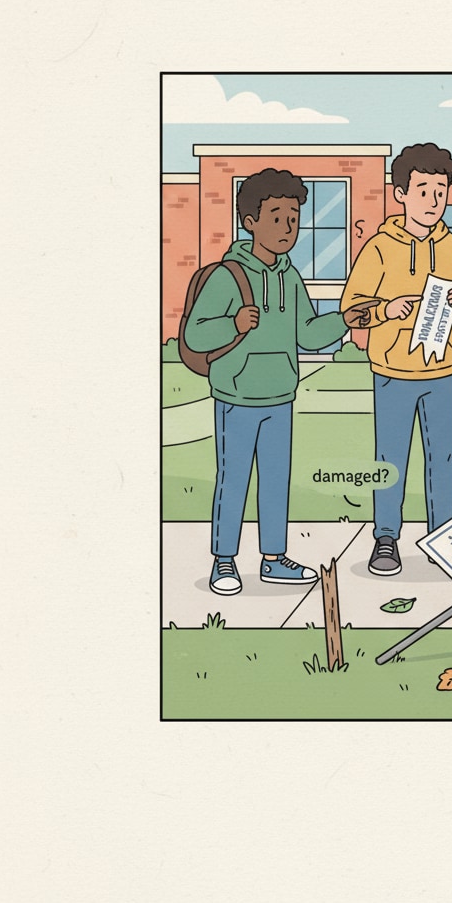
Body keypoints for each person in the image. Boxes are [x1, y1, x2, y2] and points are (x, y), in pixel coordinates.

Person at [184, 168, 350, 596]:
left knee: (276, 480)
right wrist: (233, 322)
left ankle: (274, 559)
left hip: (281, 395)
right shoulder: (228, 276)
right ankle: (225, 560)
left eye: (293, 218)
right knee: (233, 478)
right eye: (276, 217)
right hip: (237, 395)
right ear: (250, 221)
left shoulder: (289, 277)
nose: (287, 228)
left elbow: (306, 332)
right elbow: (195, 334)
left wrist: (346, 320)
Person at [341, 143, 452, 576]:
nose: (433, 201)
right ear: (400, 193)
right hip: (391, 374)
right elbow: (351, 310)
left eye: (440, 191)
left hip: (441, 373)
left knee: (442, 457)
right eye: (423, 190)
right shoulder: (379, 249)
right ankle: (386, 538)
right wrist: (388, 308)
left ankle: (444, 537)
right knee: (390, 459)